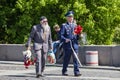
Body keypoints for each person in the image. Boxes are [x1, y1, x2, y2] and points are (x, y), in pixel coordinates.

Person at [60, 11, 82, 76]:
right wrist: (65, 39)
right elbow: (61, 36)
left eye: (72, 17)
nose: (71, 18)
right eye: (69, 17)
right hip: (67, 45)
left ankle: (76, 72)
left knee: (75, 58)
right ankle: (64, 71)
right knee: (66, 59)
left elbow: (76, 36)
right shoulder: (64, 26)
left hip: (74, 44)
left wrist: (79, 36)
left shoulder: (75, 25)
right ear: (67, 18)